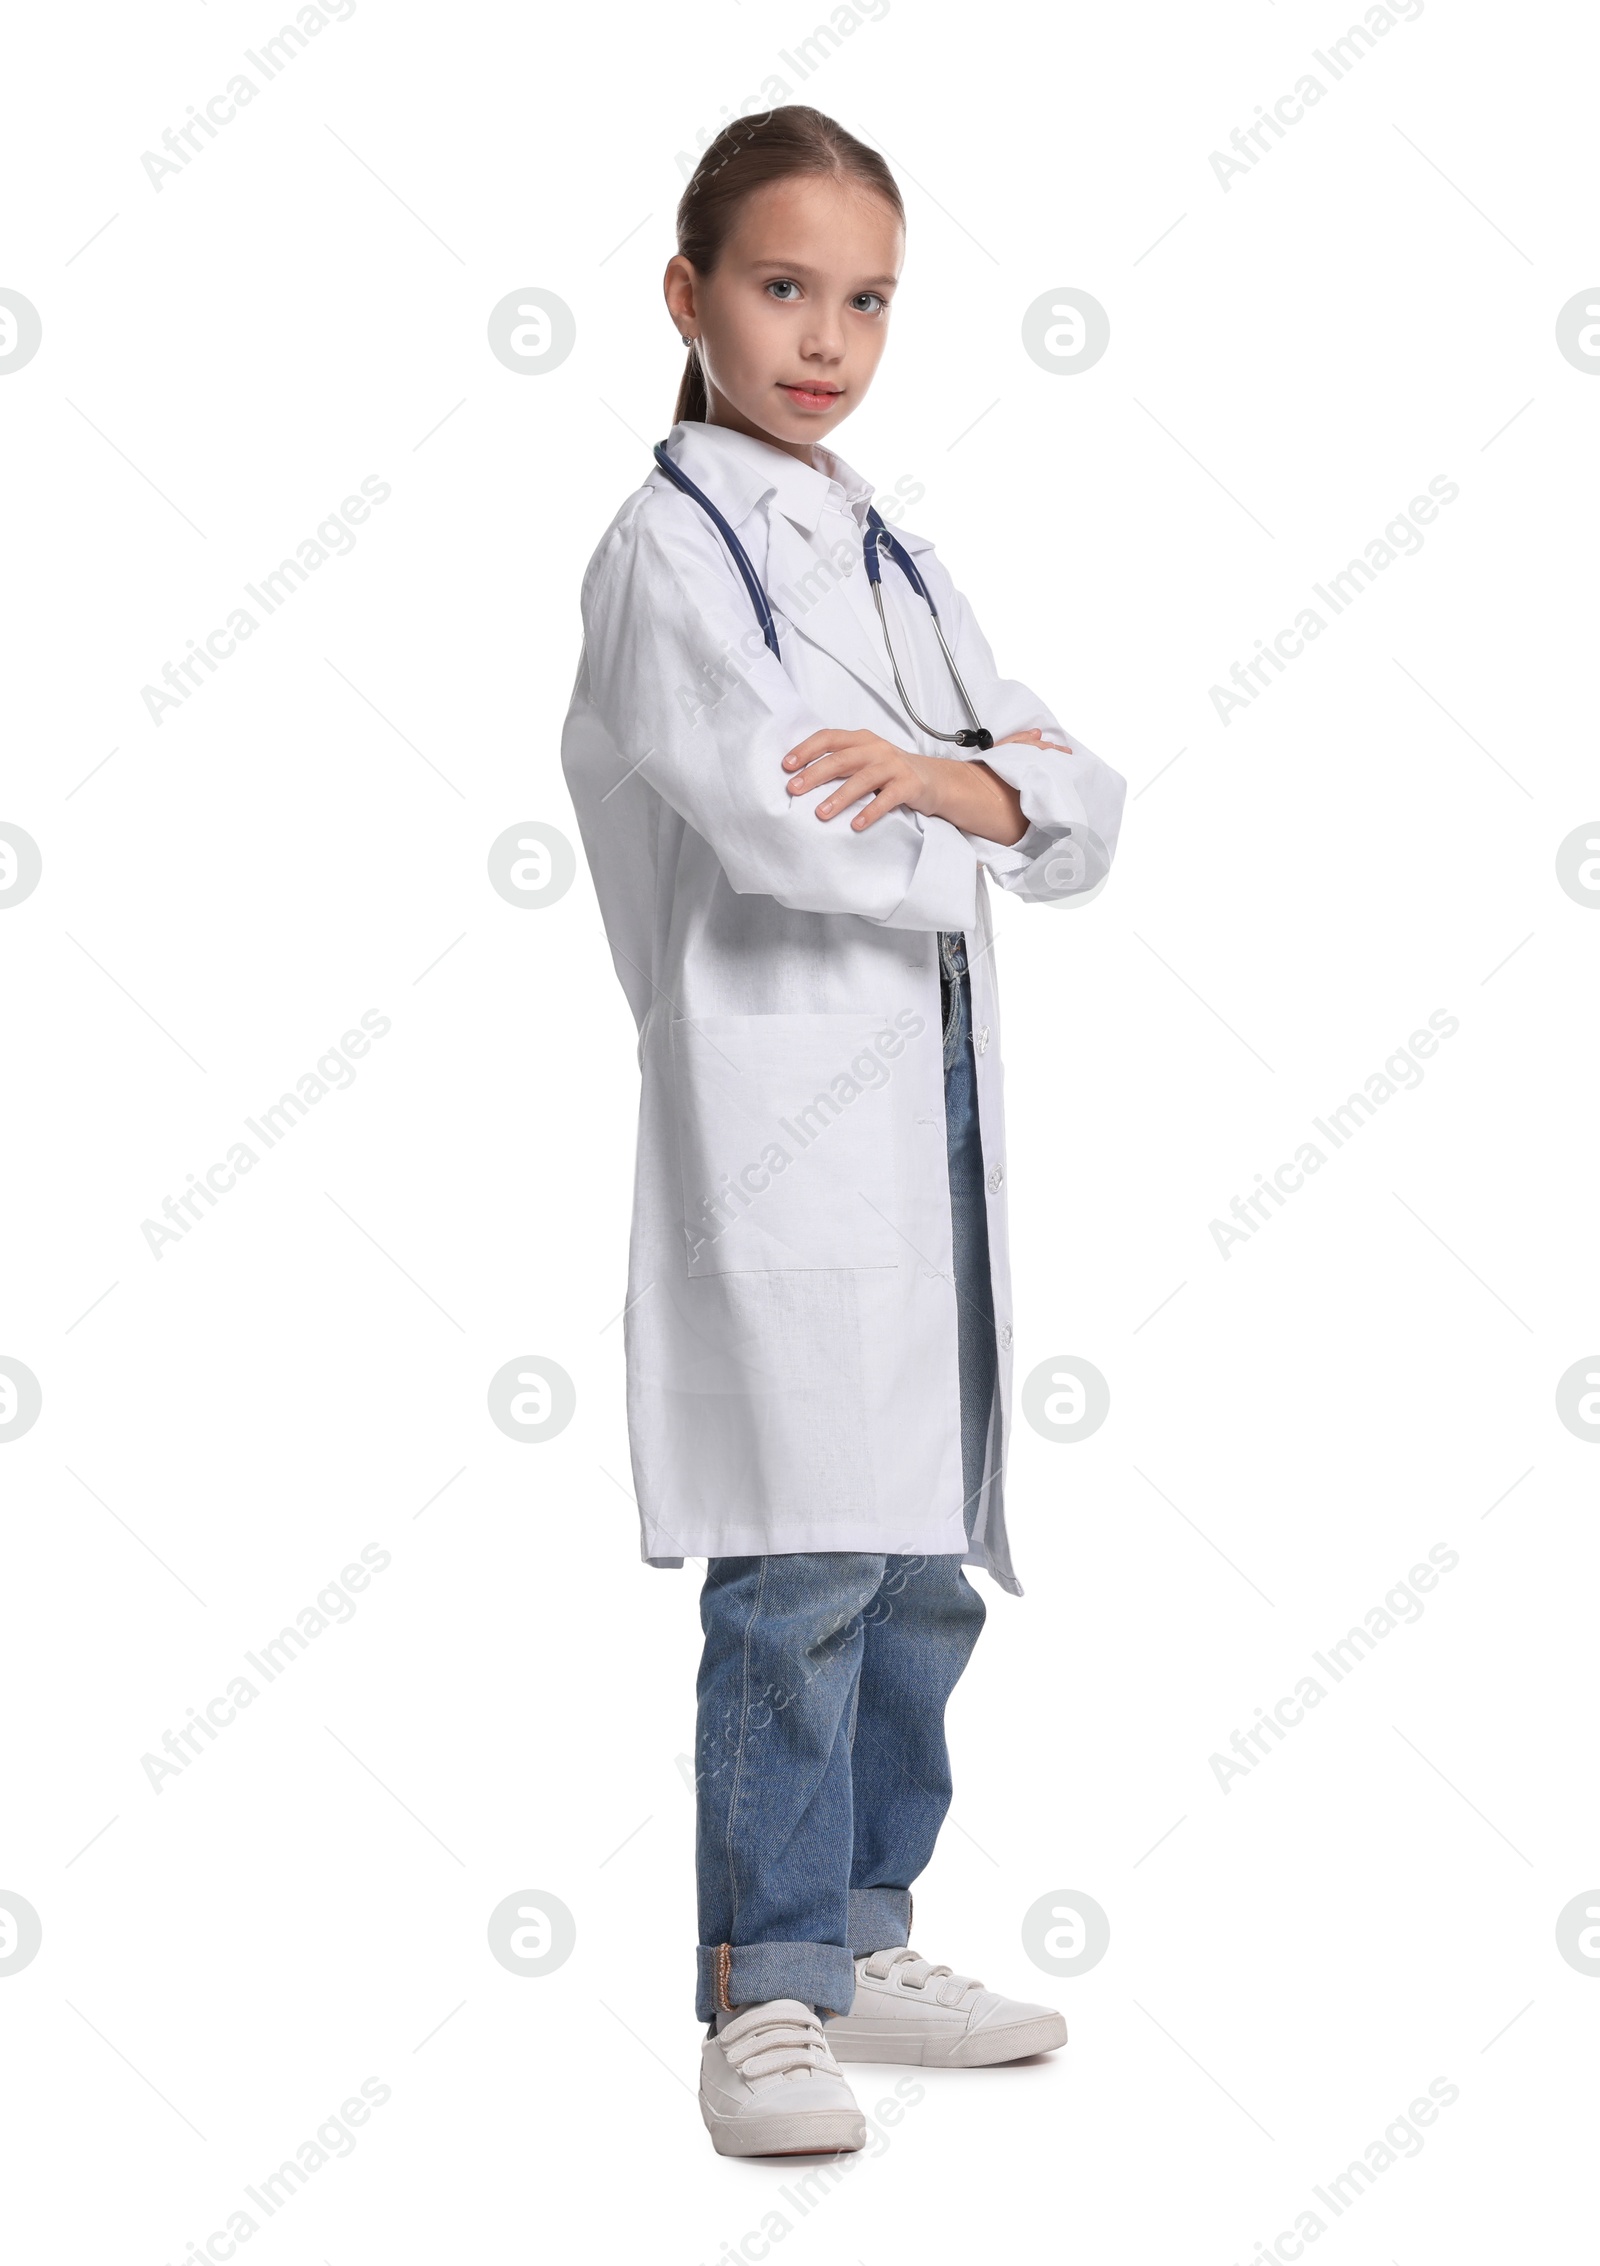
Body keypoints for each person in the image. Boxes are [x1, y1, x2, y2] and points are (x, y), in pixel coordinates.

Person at [560, 105, 1127, 2158]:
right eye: (780, 287)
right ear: (687, 295)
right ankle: (760, 1981)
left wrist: (954, 776)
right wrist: (954, 785)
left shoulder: (883, 540)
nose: (823, 336)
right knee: (794, 1564)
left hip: (930, 1096)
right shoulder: (666, 551)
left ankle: (866, 1927)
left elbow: (1076, 795)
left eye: (863, 297)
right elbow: (798, 826)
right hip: (786, 1106)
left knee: (915, 1566)